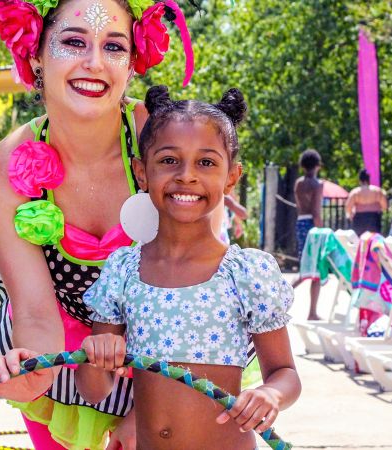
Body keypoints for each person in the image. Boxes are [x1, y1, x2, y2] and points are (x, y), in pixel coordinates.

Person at [0, 0, 198, 447]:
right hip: (61, 346)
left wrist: (149, 413)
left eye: (114, 46)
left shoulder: (167, 138)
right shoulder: (1, 172)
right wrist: (27, 377)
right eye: (74, 42)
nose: (94, 63)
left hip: (173, 340)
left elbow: (197, 287)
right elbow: (36, 312)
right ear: (35, 51)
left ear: (132, 61)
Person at [72, 86, 301, 449]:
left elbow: (285, 374)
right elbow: (92, 389)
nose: (187, 176)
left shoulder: (244, 274)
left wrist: (271, 394)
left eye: (206, 163)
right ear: (141, 172)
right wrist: (98, 354)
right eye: (168, 160)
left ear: (231, 177)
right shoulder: (124, 271)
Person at [292, 149, 324, 320]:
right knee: (315, 270)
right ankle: (312, 312)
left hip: (300, 223)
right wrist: (322, 230)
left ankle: (279, 297)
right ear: (317, 165)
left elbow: (301, 206)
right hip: (312, 226)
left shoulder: (298, 183)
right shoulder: (317, 185)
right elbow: (316, 212)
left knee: (305, 267)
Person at [345, 168, 388, 236]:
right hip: (374, 218)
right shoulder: (377, 191)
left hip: (359, 219)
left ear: (359, 180)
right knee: (374, 240)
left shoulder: (355, 192)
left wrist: (351, 215)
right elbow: (385, 206)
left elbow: (348, 208)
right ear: (369, 179)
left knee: (359, 240)